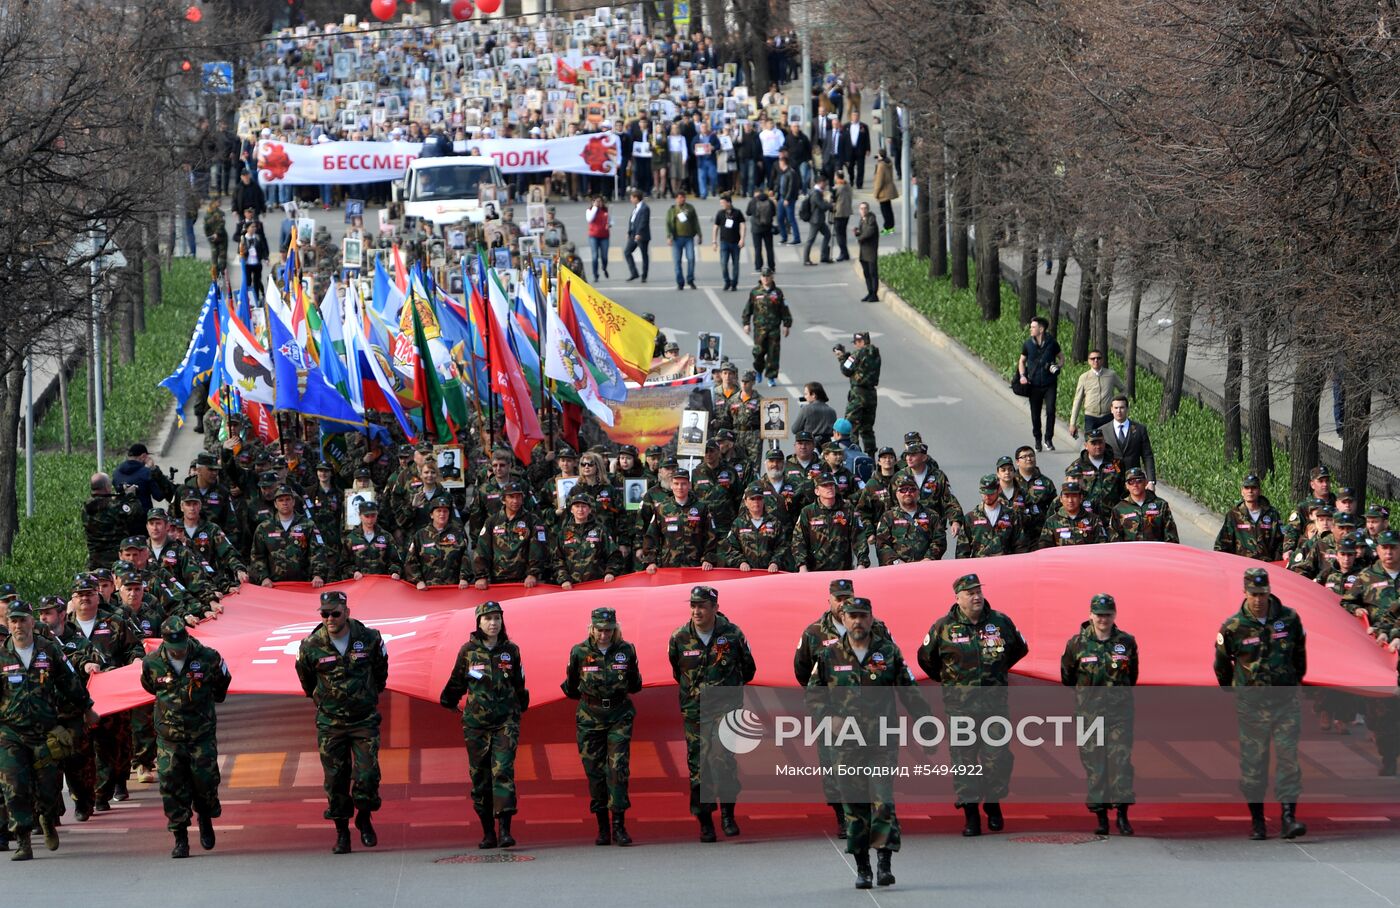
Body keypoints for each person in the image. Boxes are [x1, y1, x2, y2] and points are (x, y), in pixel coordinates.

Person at [809, 595, 917, 889]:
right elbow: (813, 694)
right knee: (855, 807)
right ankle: (863, 868)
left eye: (862, 616)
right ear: (843, 619)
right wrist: (828, 718)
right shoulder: (829, 655)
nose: (857, 621)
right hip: (846, 745)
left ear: (871, 619)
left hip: (882, 741)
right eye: (852, 616)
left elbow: (909, 689)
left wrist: (926, 722)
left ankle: (884, 863)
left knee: (882, 802)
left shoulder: (888, 652)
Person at [917, 573, 1028, 837]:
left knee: (998, 758)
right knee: (964, 761)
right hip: (960, 708)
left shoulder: (1000, 622)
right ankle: (971, 815)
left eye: (978, 591)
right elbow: (926, 659)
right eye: (970, 593)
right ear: (958, 598)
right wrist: (950, 682)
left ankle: (993, 801)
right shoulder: (943, 627)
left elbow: (1019, 649)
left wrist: (996, 673)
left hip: (994, 705)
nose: (976, 596)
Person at [1214, 568, 1308, 841]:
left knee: (1289, 759)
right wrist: (1234, 689)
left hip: (1285, 702)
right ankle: (1257, 821)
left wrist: (1293, 681)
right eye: (1253, 594)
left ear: (1269, 592)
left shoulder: (1289, 619)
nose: (1258, 600)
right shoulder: (1233, 627)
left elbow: (1299, 655)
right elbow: (1221, 663)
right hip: (1252, 706)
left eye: (1262, 594)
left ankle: (1289, 818)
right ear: (1245, 593)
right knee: (1254, 763)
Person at [0, 599, 97, 861]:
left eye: (22, 620)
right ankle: (23, 840)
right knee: (14, 787)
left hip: (44, 731)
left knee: (49, 786)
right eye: (13, 621)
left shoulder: (49, 650)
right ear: (8, 624)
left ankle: (46, 817)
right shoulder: (1, 655)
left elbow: (69, 681)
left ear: (32, 622)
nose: (18, 626)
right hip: (10, 733)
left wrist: (87, 708)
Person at [294, 591, 389, 854]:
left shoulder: (369, 638)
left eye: (335, 613)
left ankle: (364, 816)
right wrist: (324, 700)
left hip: (364, 719)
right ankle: (342, 832)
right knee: (336, 780)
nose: (330, 619)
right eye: (324, 614)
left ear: (346, 612)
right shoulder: (310, 645)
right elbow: (307, 681)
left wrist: (367, 695)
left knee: (368, 775)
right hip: (330, 722)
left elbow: (381, 671)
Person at [668, 585, 756, 842]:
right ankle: (705, 820)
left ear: (715, 608)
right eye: (693, 606)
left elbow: (748, 669)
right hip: (695, 711)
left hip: (726, 709)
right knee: (698, 766)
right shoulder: (679, 637)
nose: (697, 611)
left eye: (702, 606)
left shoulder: (733, 634)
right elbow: (677, 672)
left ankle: (728, 813)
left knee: (722, 759)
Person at [139, 616, 231, 859]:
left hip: (200, 733)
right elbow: (149, 686)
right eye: (174, 648)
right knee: (171, 786)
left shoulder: (208, 657)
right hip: (169, 737)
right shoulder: (152, 663)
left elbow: (223, 684)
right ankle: (180, 837)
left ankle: (205, 816)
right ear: (164, 642)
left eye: (181, 647)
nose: (178, 652)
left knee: (205, 781)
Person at [439, 601, 529, 850]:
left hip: (505, 722)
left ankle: (505, 831)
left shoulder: (511, 651)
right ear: (478, 622)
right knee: (481, 777)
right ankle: (488, 832)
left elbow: (520, 683)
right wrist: (448, 701)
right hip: (476, 725)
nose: (493, 623)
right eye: (488, 618)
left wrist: (519, 708)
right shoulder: (468, 651)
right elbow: (457, 681)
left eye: (497, 618)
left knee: (502, 771)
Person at [562, 607, 642, 846]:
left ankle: (619, 826)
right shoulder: (579, 652)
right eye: (599, 630)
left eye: (608, 630)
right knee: (595, 772)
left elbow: (635, 684)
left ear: (615, 629)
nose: (604, 635)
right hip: (590, 718)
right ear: (592, 628)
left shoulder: (626, 650)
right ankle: (602, 827)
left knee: (617, 769)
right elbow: (571, 687)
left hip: (619, 716)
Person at [1060, 594, 1138, 836]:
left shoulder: (1126, 642)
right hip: (1089, 715)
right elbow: (1067, 677)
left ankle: (1122, 815)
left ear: (1114, 615)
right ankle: (1101, 817)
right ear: (1090, 615)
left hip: (1119, 715)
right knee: (1095, 765)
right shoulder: (1076, 644)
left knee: (1120, 763)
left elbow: (1132, 676)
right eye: (1099, 615)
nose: (1103, 619)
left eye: (1107, 614)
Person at [791, 472, 870, 571]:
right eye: (824, 485)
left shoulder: (847, 509)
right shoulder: (808, 512)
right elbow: (798, 540)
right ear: (817, 491)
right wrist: (802, 565)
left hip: (842, 570)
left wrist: (862, 563)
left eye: (831, 485)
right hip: (815, 570)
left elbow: (859, 537)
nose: (829, 488)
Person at [642, 469, 717, 572]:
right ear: (671, 485)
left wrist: (708, 559)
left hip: (696, 566)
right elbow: (651, 536)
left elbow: (711, 536)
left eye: (683, 484)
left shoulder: (701, 508)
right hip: (669, 566)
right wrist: (651, 561)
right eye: (676, 484)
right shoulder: (662, 509)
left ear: (689, 485)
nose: (679, 487)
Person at [874, 474, 946, 563]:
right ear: (896, 494)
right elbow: (881, 544)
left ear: (918, 492)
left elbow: (939, 540)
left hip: (926, 567)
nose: (908, 493)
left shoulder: (932, 515)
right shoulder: (888, 517)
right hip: (896, 568)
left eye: (912, 489)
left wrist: (929, 558)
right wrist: (896, 561)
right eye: (903, 490)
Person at [1016, 316, 1064, 451]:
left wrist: (1058, 366)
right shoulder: (1028, 344)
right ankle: (1037, 438)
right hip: (1034, 384)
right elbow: (1021, 361)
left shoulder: (1052, 343)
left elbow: (1061, 357)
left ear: (1041, 329)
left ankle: (1048, 439)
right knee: (1035, 414)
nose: (1030, 329)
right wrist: (1022, 376)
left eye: (1033, 327)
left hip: (1050, 383)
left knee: (1050, 410)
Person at [741, 268, 792, 387]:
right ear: (761, 277)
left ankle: (771, 377)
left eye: (768, 276)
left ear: (772, 277)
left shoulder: (777, 293)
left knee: (773, 353)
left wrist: (786, 325)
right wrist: (746, 323)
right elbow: (748, 309)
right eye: (763, 276)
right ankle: (759, 369)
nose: (765, 278)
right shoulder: (755, 292)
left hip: (774, 328)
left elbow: (784, 309)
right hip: (760, 329)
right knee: (758, 352)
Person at [83, 472, 144, 570]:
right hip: (114, 561)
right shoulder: (114, 507)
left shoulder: (86, 508)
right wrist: (131, 495)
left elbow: (105, 505)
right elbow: (135, 511)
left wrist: (118, 497)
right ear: (107, 486)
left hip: (95, 561)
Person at [956, 475, 1026, 558]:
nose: (987, 496)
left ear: (999, 490)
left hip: (1005, 564)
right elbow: (962, 551)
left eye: (991, 493)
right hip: (980, 564)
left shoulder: (1012, 515)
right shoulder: (971, 518)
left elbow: (1020, 546)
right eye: (984, 493)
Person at [836, 331, 881, 455]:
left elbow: (846, 369)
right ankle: (870, 456)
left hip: (858, 393)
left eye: (856, 342)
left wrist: (841, 357)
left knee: (850, 426)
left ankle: (853, 454)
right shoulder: (876, 354)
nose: (855, 345)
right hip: (871, 394)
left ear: (860, 341)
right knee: (867, 428)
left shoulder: (857, 354)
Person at [1111, 467, 1179, 543]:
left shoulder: (1161, 505)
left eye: (1139, 481)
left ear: (1146, 482)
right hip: (1130, 550)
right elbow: (1115, 540)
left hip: (1155, 549)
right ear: (1126, 486)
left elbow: (1171, 535)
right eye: (1131, 482)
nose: (1135, 485)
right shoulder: (1119, 509)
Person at [1068, 350, 1125, 439]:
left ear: (1102, 360)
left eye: (1098, 358)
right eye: (1093, 358)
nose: (1096, 360)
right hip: (1091, 417)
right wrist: (1072, 423)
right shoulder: (1084, 377)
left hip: (1108, 416)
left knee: (1109, 443)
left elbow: (1123, 389)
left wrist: (1118, 405)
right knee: (1091, 443)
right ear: (1089, 361)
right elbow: (1077, 400)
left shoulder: (1111, 375)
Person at [1104, 395, 1156, 484]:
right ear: (1111, 409)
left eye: (1122, 408)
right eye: (1116, 408)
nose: (1119, 411)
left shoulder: (1140, 429)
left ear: (1127, 409)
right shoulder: (1103, 431)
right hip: (1111, 480)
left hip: (1134, 480)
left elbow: (1147, 456)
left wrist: (1151, 481)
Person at [112, 443, 176, 512]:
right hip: (143, 514)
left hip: (123, 513)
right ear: (143, 456)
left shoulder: (116, 472)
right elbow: (159, 496)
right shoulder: (146, 473)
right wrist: (154, 469)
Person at [711, 193, 747, 292]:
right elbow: (715, 227)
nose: (721, 205)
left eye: (723, 203)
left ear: (729, 202)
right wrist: (714, 241)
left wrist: (742, 239)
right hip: (724, 243)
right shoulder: (720, 213)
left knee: (736, 264)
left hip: (735, 243)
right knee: (723, 263)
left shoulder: (737, 213)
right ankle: (727, 281)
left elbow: (743, 225)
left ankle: (734, 283)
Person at [666, 192, 699, 290]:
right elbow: (668, 223)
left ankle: (690, 279)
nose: (682, 199)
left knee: (691, 258)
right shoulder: (672, 210)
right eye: (680, 197)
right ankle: (680, 282)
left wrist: (699, 234)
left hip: (689, 238)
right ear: (676, 199)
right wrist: (669, 236)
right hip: (676, 239)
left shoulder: (690, 208)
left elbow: (695, 222)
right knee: (677, 261)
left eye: (683, 197)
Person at [802, 175, 833, 266]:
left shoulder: (815, 191)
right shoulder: (816, 193)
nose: (826, 185)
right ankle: (806, 259)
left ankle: (824, 256)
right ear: (821, 183)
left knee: (827, 234)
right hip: (816, 220)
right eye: (825, 183)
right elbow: (822, 205)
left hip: (819, 219)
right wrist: (830, 205)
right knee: (811, 239)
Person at [745, 189, 777, 274]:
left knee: (757, 248)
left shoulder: (753, 201)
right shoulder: (769, 201)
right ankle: (771, 266)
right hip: (768, 228)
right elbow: (774, 213)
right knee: (769, 248)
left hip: (756, 229)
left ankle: (758, 266)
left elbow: (748, 213)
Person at [623, 188, 650, 282]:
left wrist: (639, 233)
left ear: (636, 198)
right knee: (627, 252)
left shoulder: (645, 208)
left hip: (641, 235)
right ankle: (634, 273)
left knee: (644, 255)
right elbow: (632, 221)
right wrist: (629, 231)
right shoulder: (636, 207)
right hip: (633, 234)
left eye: (631, 198)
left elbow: (643, 222)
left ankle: (644, 275)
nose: (630, 200)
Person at [855, 201, 881, 301]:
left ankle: (874, 294)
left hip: (870, 251)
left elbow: (869, 232)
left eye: (865, 208)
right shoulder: (862, 220)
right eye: (861, 208)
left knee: (872, 273)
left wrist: (860, 238)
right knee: (866, 273)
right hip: (863, 252)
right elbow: (862, 232)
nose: (863, 210)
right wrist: (857, 232)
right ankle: (870, 292)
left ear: (868, 209)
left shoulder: (871, 219)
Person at [585, 195, 611, 282]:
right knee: (595, 256)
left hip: (604, 236)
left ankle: (604, 267)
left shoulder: (605, 210)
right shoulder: (589, 211)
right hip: (593, 236)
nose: (598, 203)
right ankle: (595, 275)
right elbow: (589, 219)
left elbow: (610, 220)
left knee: (604, 256)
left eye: (600, 201)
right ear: (593, 202)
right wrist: (595, 208)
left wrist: (610, 224)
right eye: (596, 201)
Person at [871, 151, 898, 234]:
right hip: (889, 189)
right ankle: (891, 227)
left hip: (883, 192)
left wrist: (876, 194)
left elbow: (879, 181)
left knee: (885, 211)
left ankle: (887, 228)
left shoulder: (881, 166)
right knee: (889, 209)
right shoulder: (888, 162)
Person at [844, 109, 871, 188]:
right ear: (851, 116)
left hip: (860, 150)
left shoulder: (863, 126)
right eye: (854, 115)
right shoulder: (846, 126)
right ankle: (851, 179)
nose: (855, 117)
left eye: (857, 116)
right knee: (850, 167)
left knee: (860, 168)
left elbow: (867, 138)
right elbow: (843, 139)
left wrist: (868, 149)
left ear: (859, 117)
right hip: (850, 150)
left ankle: (859, 184)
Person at [830, 172, 853, 261]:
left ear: (836, 177)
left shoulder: (837, 188)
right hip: (847, 212)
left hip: (839, 213)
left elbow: (832, 200)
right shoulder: (848, 186)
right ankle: (845, 253)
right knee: (843, 233)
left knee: (839, 235)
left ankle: (844, 253)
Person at [204, 199, 228, 277]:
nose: (220, 203)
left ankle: (220, 273)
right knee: (216, 256)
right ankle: (216, 273)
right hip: (216, 237)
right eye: (218, 202)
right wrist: (210, 235)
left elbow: (221, 224)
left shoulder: (220, 213)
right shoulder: (209, 214)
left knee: (221, 256)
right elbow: (206, 227)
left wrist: (214, 234)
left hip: (220, 237)